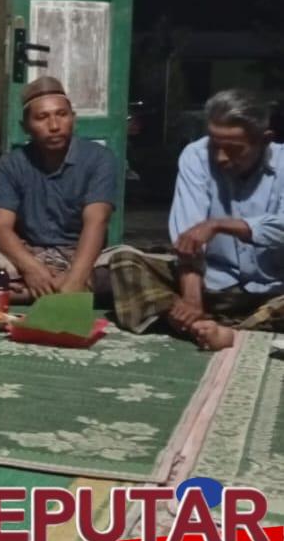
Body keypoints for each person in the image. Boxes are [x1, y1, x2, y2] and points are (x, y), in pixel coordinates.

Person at [111, 89, 284, 350]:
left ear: (265, 139)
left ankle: (229, 334)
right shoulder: (196, 156)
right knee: (124, 262)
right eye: (215, 145)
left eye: (233, 149)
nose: (221, 157)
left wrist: (219, 225)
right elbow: (188, 241)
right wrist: (191, 300)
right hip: (212, 287)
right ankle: (205, 325)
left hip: (273, 291)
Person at [0, 77, 119, 305]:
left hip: (83, 257)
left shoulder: (99, 158)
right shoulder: (11, 164)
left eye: (62, 115)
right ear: (25, 126)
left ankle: (20, 294)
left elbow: (97, 221)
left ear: (73, 118)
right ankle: (59, 290)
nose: (54, 125)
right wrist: (32, 268)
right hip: (31, 256)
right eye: (42, 117)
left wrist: (76, 276)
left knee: (125, 263)